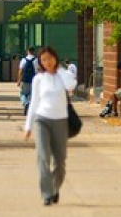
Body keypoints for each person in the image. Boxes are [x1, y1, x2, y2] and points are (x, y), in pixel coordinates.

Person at [23, 46, 77, 206]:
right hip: (42, 120)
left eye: (49, 58)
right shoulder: (38, 79)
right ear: (40, 62)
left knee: (60, 161)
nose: (47, 62)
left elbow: (71, 86)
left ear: (55, 58)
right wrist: (28, 126)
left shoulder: (63, 75)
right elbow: (34, 103)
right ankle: (47, 193)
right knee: (43, 157)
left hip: (60, 121)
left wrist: (59, 70)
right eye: (43, 59)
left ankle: (54, 187)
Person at [17, 47, 38, 115]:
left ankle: (25, 103)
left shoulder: (23, 60)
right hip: (34, 80)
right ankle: (29, 103)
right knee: (32, 94)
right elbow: (39, 71)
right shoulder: (36, 60)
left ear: (27, 51)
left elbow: (20, 71)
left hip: (25, 79)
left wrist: (19, 80)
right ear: (34, 52)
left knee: (23, 93)